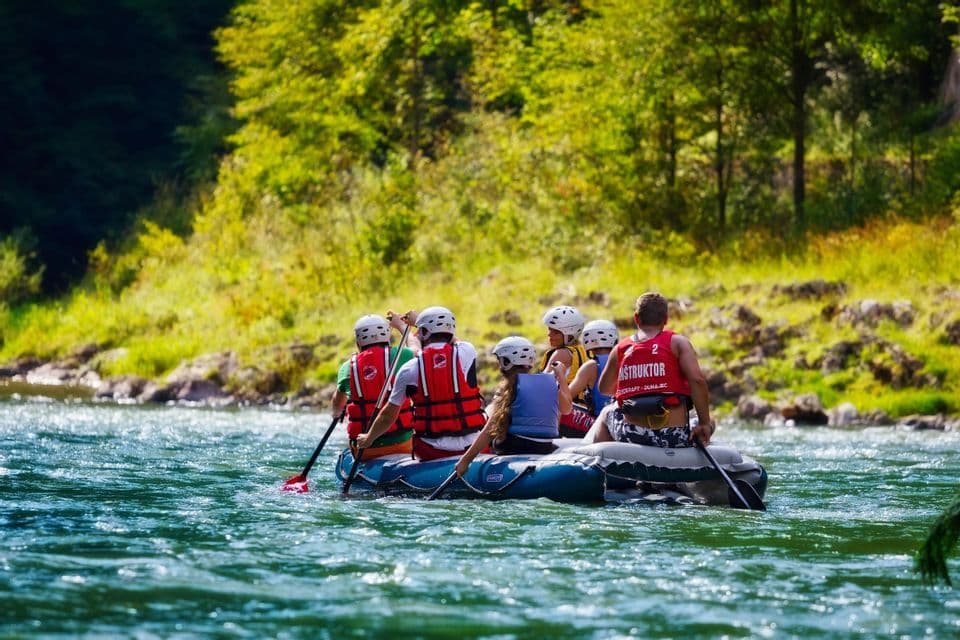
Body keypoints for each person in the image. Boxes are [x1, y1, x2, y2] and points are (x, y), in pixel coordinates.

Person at [357, 306, 487, 461]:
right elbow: (449, 342)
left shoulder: (409, 369)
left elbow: (388, 416)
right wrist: (418, 322)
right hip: (474, 446)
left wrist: (368, 438)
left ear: (423, 333)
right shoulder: (467, 351)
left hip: (432, 451)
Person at [586, 292, 714, 448]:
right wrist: (704, 423)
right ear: (665, 319)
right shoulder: (678, 343)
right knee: (710, 421)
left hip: (632, 435)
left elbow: (604, 389)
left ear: (636, 318)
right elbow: (697, 380)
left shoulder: (621, 349)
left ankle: (603, 464)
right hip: (674, 435)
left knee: (607, 412)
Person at [454, 336, 573, 477]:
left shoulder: (509, 386)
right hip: (544, 447)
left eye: (500, 360)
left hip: (515, 446)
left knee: (493, 417)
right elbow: (567, 409)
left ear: (506, 361)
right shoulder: (549, 382)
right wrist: (561, 378)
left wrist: (466, 460)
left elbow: (491, 429)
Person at [330, 313, 419, 458]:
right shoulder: (399, 356)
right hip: (404, 445)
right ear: (387, 337)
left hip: (366, 451)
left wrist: (336, 413)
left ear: (358, 342)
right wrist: (401, 326)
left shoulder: (347, 368)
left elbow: (337, 402)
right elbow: (416, 347)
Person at [561, 319, 620, 437]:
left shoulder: (591, 366)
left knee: (559, 411)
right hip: (622, 421)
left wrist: (561, 378)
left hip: (600, 423)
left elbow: (566, 398)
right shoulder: (624, 360)